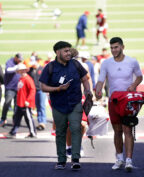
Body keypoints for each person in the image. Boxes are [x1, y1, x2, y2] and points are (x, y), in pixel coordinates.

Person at [39, 41, 92, 170]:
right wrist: (58, 89)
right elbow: (43, 87)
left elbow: (85, 78)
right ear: (58, 52)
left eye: (69, 50)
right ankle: (61, 160)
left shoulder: (75, 64)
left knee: (76, 129)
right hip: (58, 105)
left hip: (75, 103)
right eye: (65, 51)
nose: (69, 53)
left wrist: (87, 90)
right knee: (60, 133)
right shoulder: (49, 67)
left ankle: (75, 159)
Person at [95, 37, 143, 172]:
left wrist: (133, 85)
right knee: (117, 131)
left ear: (122, 47)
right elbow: (101, 79)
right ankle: (119, 158)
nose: (113, 50)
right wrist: (98, 90)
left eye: (116, 47)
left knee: (127, 130)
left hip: (128, 101)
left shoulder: (132, 61)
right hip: (113, 101)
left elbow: (139, 76)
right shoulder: (106, 63)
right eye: (111, 48)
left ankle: (129, 160)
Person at [8, 63, 37, 138]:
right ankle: (13, 131)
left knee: (28, 118)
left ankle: (33, 132)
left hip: (25, 103)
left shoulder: (28, 79)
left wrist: (28, 100)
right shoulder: (21, 78)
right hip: (20, 102)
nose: (19, 72)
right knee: (17, 118)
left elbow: (32, 90)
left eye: (20, 70)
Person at [0, 53, 23, 127]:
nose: (20, 61)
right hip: (10, 87)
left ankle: (15, 120)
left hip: (18, 87)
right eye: (19, 60)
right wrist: (17, 67)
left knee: (16, 105)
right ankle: (3, 119)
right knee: (7, 103)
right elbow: (8, 70)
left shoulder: (19, 63)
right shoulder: (10, 62)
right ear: (15, 58)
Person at [27, 57, 47, 131]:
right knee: (37, 106)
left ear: (37, 61)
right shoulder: (30, 70)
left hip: (41, 90)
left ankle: (43, 122)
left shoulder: (42, 69)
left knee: (42, 106)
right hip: (34, 91)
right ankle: (39, 121)